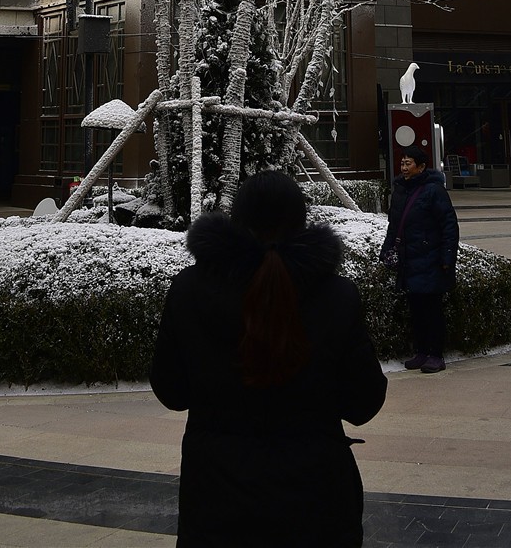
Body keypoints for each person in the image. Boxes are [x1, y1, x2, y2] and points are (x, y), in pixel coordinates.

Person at [150, 172, 387, 548]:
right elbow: (364, 402)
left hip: (216, 498)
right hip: (317, 500)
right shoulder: (337, 295)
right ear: (301, 220)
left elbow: (171, 390)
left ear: (237, 219)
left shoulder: (189, 290)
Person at [379, 150, 459, 373]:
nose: (404, 168)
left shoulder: (434, 191)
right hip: (409, 260)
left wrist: (447, 258)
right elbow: (394, 226)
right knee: (416, 310)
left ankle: (436, 354)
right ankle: (422, 352)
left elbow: (449, 226)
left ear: (421, 167)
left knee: (432, 310)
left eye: (409, 164)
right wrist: (386, 250)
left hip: (431, 260)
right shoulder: (400, 191)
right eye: (402, 163)